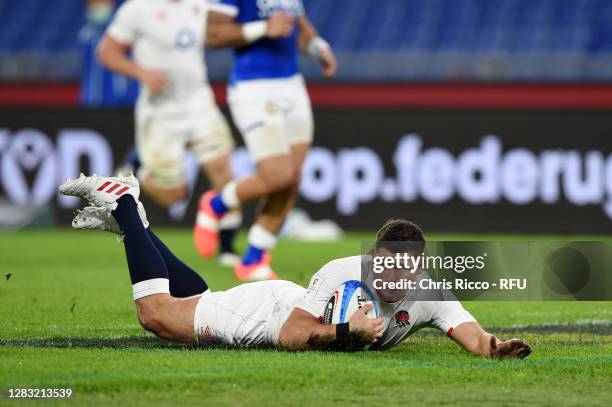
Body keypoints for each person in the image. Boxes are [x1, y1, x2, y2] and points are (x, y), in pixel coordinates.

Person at [58, 173, 532, 358]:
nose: (396, 278)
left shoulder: (430, 293)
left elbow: (471, 334)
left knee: (194, 296)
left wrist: (497, 348)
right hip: (265, 314)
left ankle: (136, 226)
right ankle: (123, 206)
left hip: (276, 305)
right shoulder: (342, 270)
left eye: (407, 270)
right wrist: (350, 333)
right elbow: (290, 335)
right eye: (386, 266)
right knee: (157, 316)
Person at [195, 0, 338, 281]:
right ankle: (217, 205)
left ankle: (254, 258)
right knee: (277, 174)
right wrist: (263, 27)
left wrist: (318, 47)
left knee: (292, 178)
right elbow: (210, 34)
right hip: (254, 88)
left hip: (292, 86)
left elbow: (298, 23)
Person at [96, 0, 241, 264]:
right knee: (174, 195)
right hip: (160, 112)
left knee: (225, 174)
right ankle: (138, 169)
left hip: (199, 102)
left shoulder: (200, 4)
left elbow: (227, 25)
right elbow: (106, 52)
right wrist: (140, 72)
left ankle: (228, 250)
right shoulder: (137, 8)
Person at [79, 0, 139, 107]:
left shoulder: (125, 32)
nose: (98, 7)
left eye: (102, 3)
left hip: (124, 100)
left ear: (112, 5)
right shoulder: (87, 34)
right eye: (94, 4)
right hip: (93, 100)